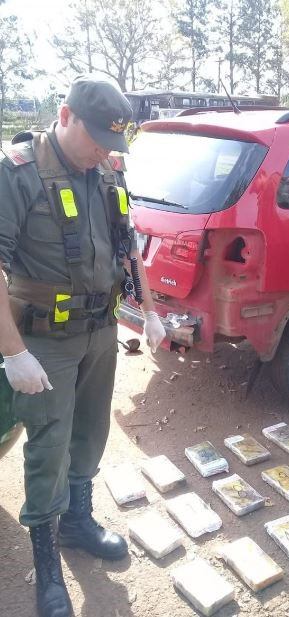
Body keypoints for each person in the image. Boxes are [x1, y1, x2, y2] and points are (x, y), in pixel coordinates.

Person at [0, 75, 166, 617]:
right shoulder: (17, 171)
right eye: (97, 138)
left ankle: (77, 522)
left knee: (91, 432)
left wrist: (152, 313)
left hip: (100, 330)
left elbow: (128, 241)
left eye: (112, 142)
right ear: (65, 115)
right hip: (43, 339)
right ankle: (46, 559)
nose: (104, 151)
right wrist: (11, 352)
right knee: (48, 442)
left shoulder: (107, 168)